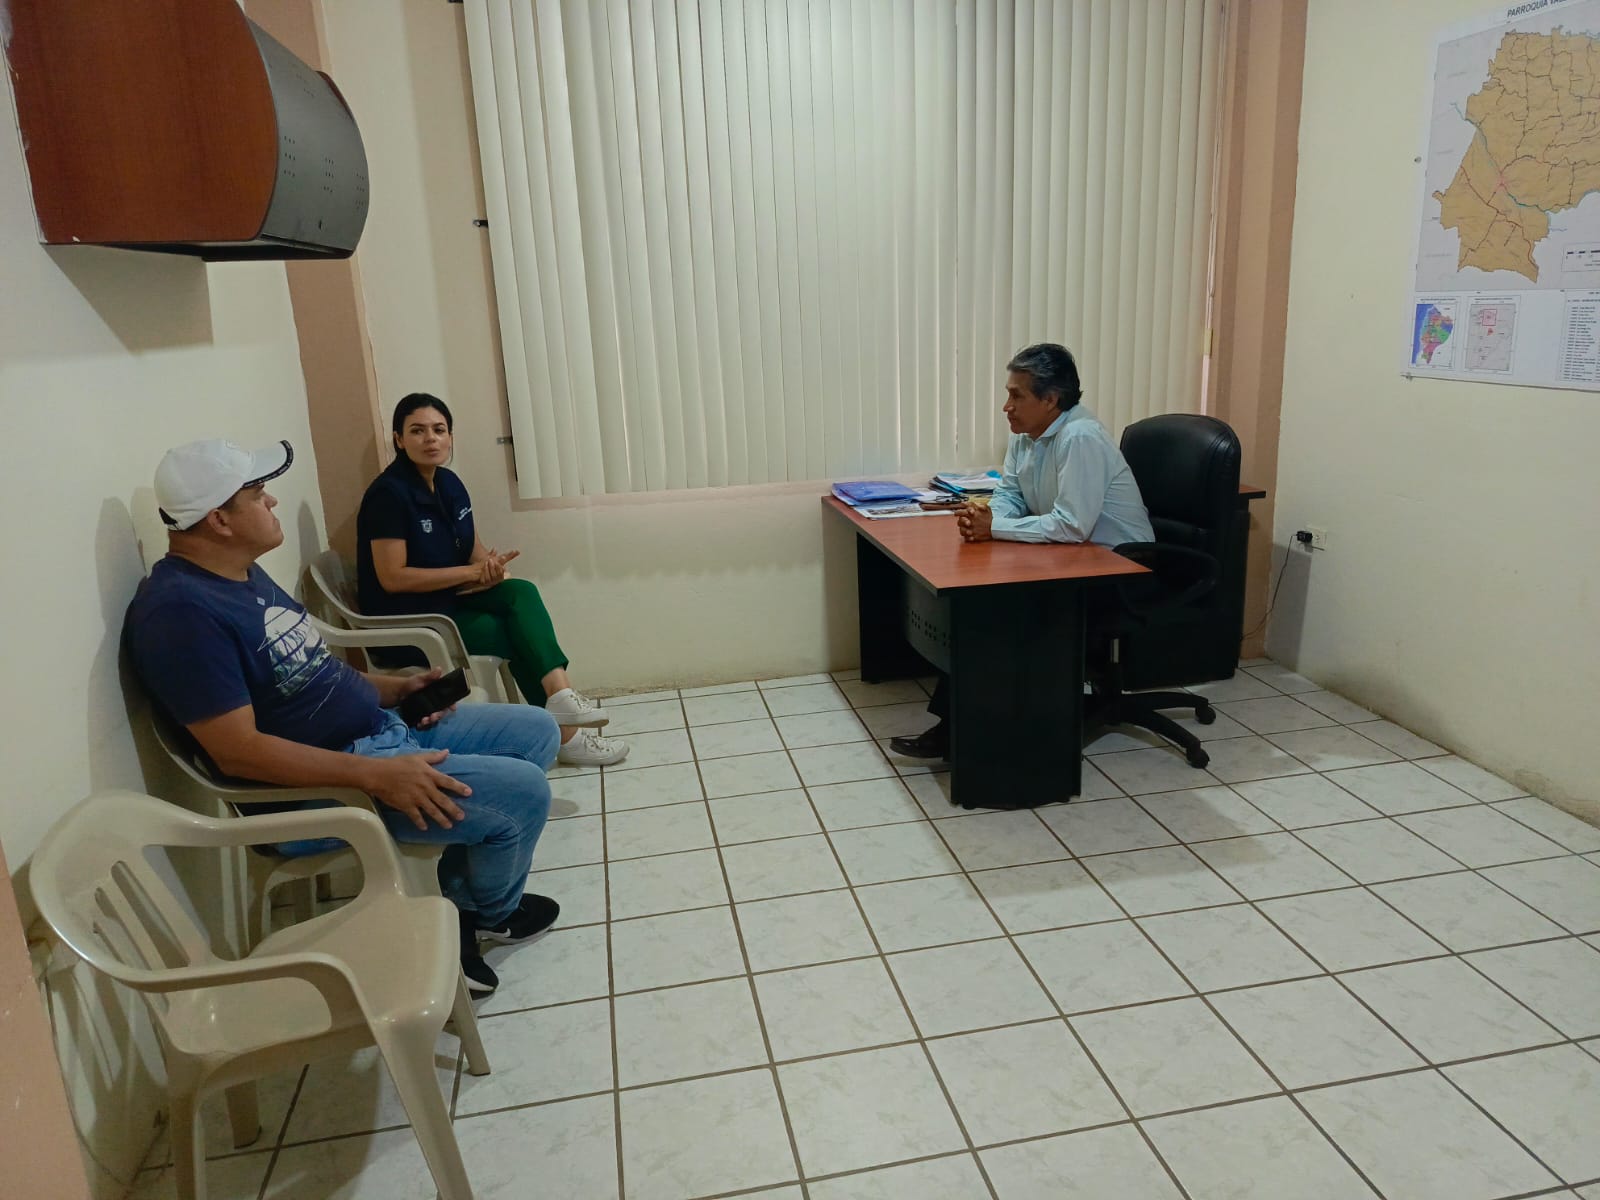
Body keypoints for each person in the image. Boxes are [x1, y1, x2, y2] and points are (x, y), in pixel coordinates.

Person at [125, 437, 561, 996]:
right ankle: (481, 914)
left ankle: (458, 897)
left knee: (537, 731)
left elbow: (313, 671)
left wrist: (399, 689)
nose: (272, 502)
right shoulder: (181, 614)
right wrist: (374, 775)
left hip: (378, 733)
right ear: (219, 520)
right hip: (330, 786)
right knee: (523, 793)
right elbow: (237, 752)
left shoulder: (241, 575)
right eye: (258, 494)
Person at [888, 343, 1155, 759]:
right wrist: (986, 517)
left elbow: (1072, 524)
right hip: (1071, 558)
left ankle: (965, 732)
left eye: (1017, 395)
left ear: (1051, 399)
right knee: (982, 600)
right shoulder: (1027, 437)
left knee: (994, 612)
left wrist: (995, 528)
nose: (1006, 407)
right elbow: (1011, 494)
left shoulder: (1079, 437)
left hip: (1119, 569)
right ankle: (968, 726)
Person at [356, 393, 628, 768]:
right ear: (399, 439)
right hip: (412, 623)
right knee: (512, 634)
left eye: (439, 430)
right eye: (417, 431)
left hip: (448, 603)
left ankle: (560, 698)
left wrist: (490, 567)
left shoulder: (449, 483)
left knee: (519, 591)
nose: (430, 438)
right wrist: (471, 574)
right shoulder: (388, 495)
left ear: (450, 437)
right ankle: (566, 733)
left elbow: (471, 548)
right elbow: (393, 578)